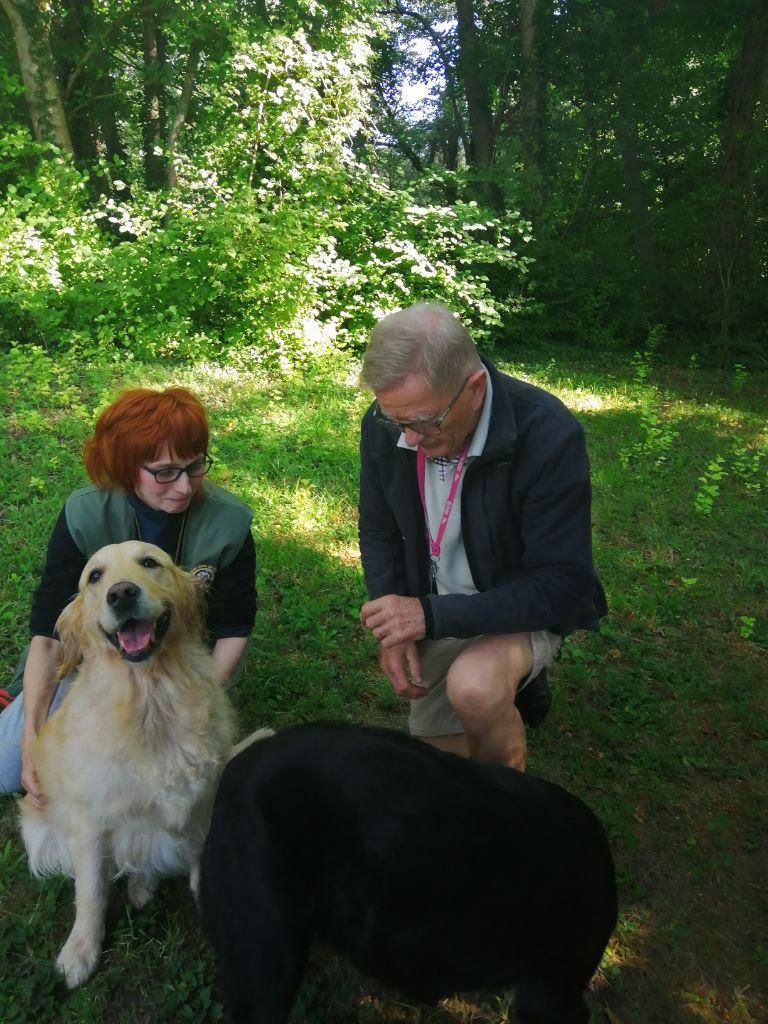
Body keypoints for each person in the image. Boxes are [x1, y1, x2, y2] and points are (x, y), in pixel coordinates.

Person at [358, 303, 607, 771]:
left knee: (473, 688)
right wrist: (394, 622)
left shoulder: (547, 435)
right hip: (438, 611)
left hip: (520, 606)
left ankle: (512, 815)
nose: (408, 439)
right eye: (397, 422)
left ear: (474, 389)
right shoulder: (386, 422)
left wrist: (427, 615)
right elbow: (379, 529)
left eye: (424, 423)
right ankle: (520, 686)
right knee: (442, 778)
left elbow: (564, 587)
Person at [0, 387, 256, 802]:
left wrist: (199, 702)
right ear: (126, 468)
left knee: (174, 767)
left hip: (183, 666)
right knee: (7, 769)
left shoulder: (229, 524)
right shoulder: (83, 516)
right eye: (165, 471)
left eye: (195, 467)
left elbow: (234, 629)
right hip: (97, 667)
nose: (185, 487)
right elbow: (48, 635)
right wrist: (32, 736)